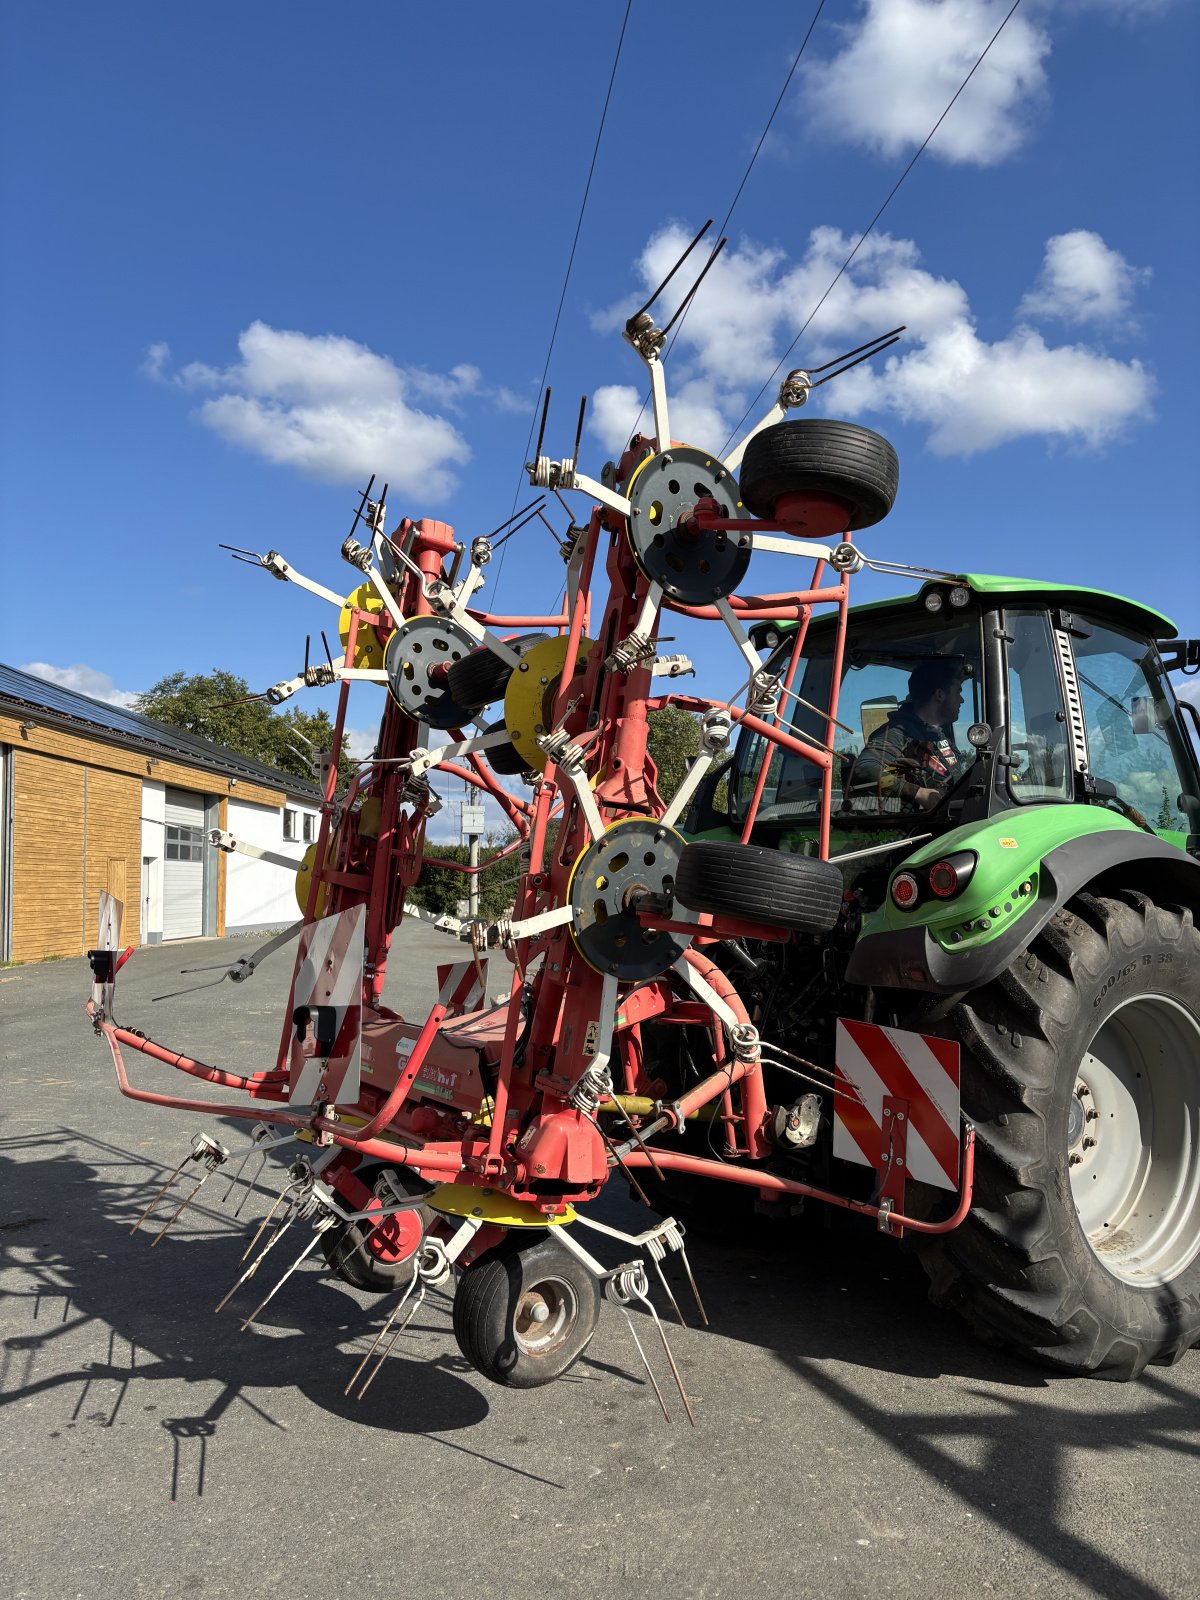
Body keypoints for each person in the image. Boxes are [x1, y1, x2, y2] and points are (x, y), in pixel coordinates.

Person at [848, 658, 968, 811]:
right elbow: (864, 769)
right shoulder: (897, 733)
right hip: (917, 828)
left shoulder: (939, 737)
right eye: (958, 691)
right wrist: (918, 793)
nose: (962, 700)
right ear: (939, 694)